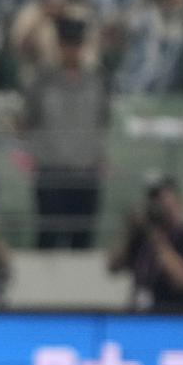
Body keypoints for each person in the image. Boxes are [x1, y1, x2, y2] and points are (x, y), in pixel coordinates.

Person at [22, 13, 110, 249]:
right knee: (47, 240)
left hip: (86, 171)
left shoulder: (96, 81)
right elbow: (29, 118)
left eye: (76, 44)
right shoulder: (42, 81)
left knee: (83, 242)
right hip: (51, 171)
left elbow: (102, 120)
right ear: (59, 45)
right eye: (66, 44)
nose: (71, 49)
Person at [107, 175, 183, 313]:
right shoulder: (142, 237)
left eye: (165, 203)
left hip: (179, 318)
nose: (159, 208)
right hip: (140, 314)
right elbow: (113, 267)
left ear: (179, 205)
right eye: (155, 202)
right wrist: (129, 230)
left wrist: (159, 241)